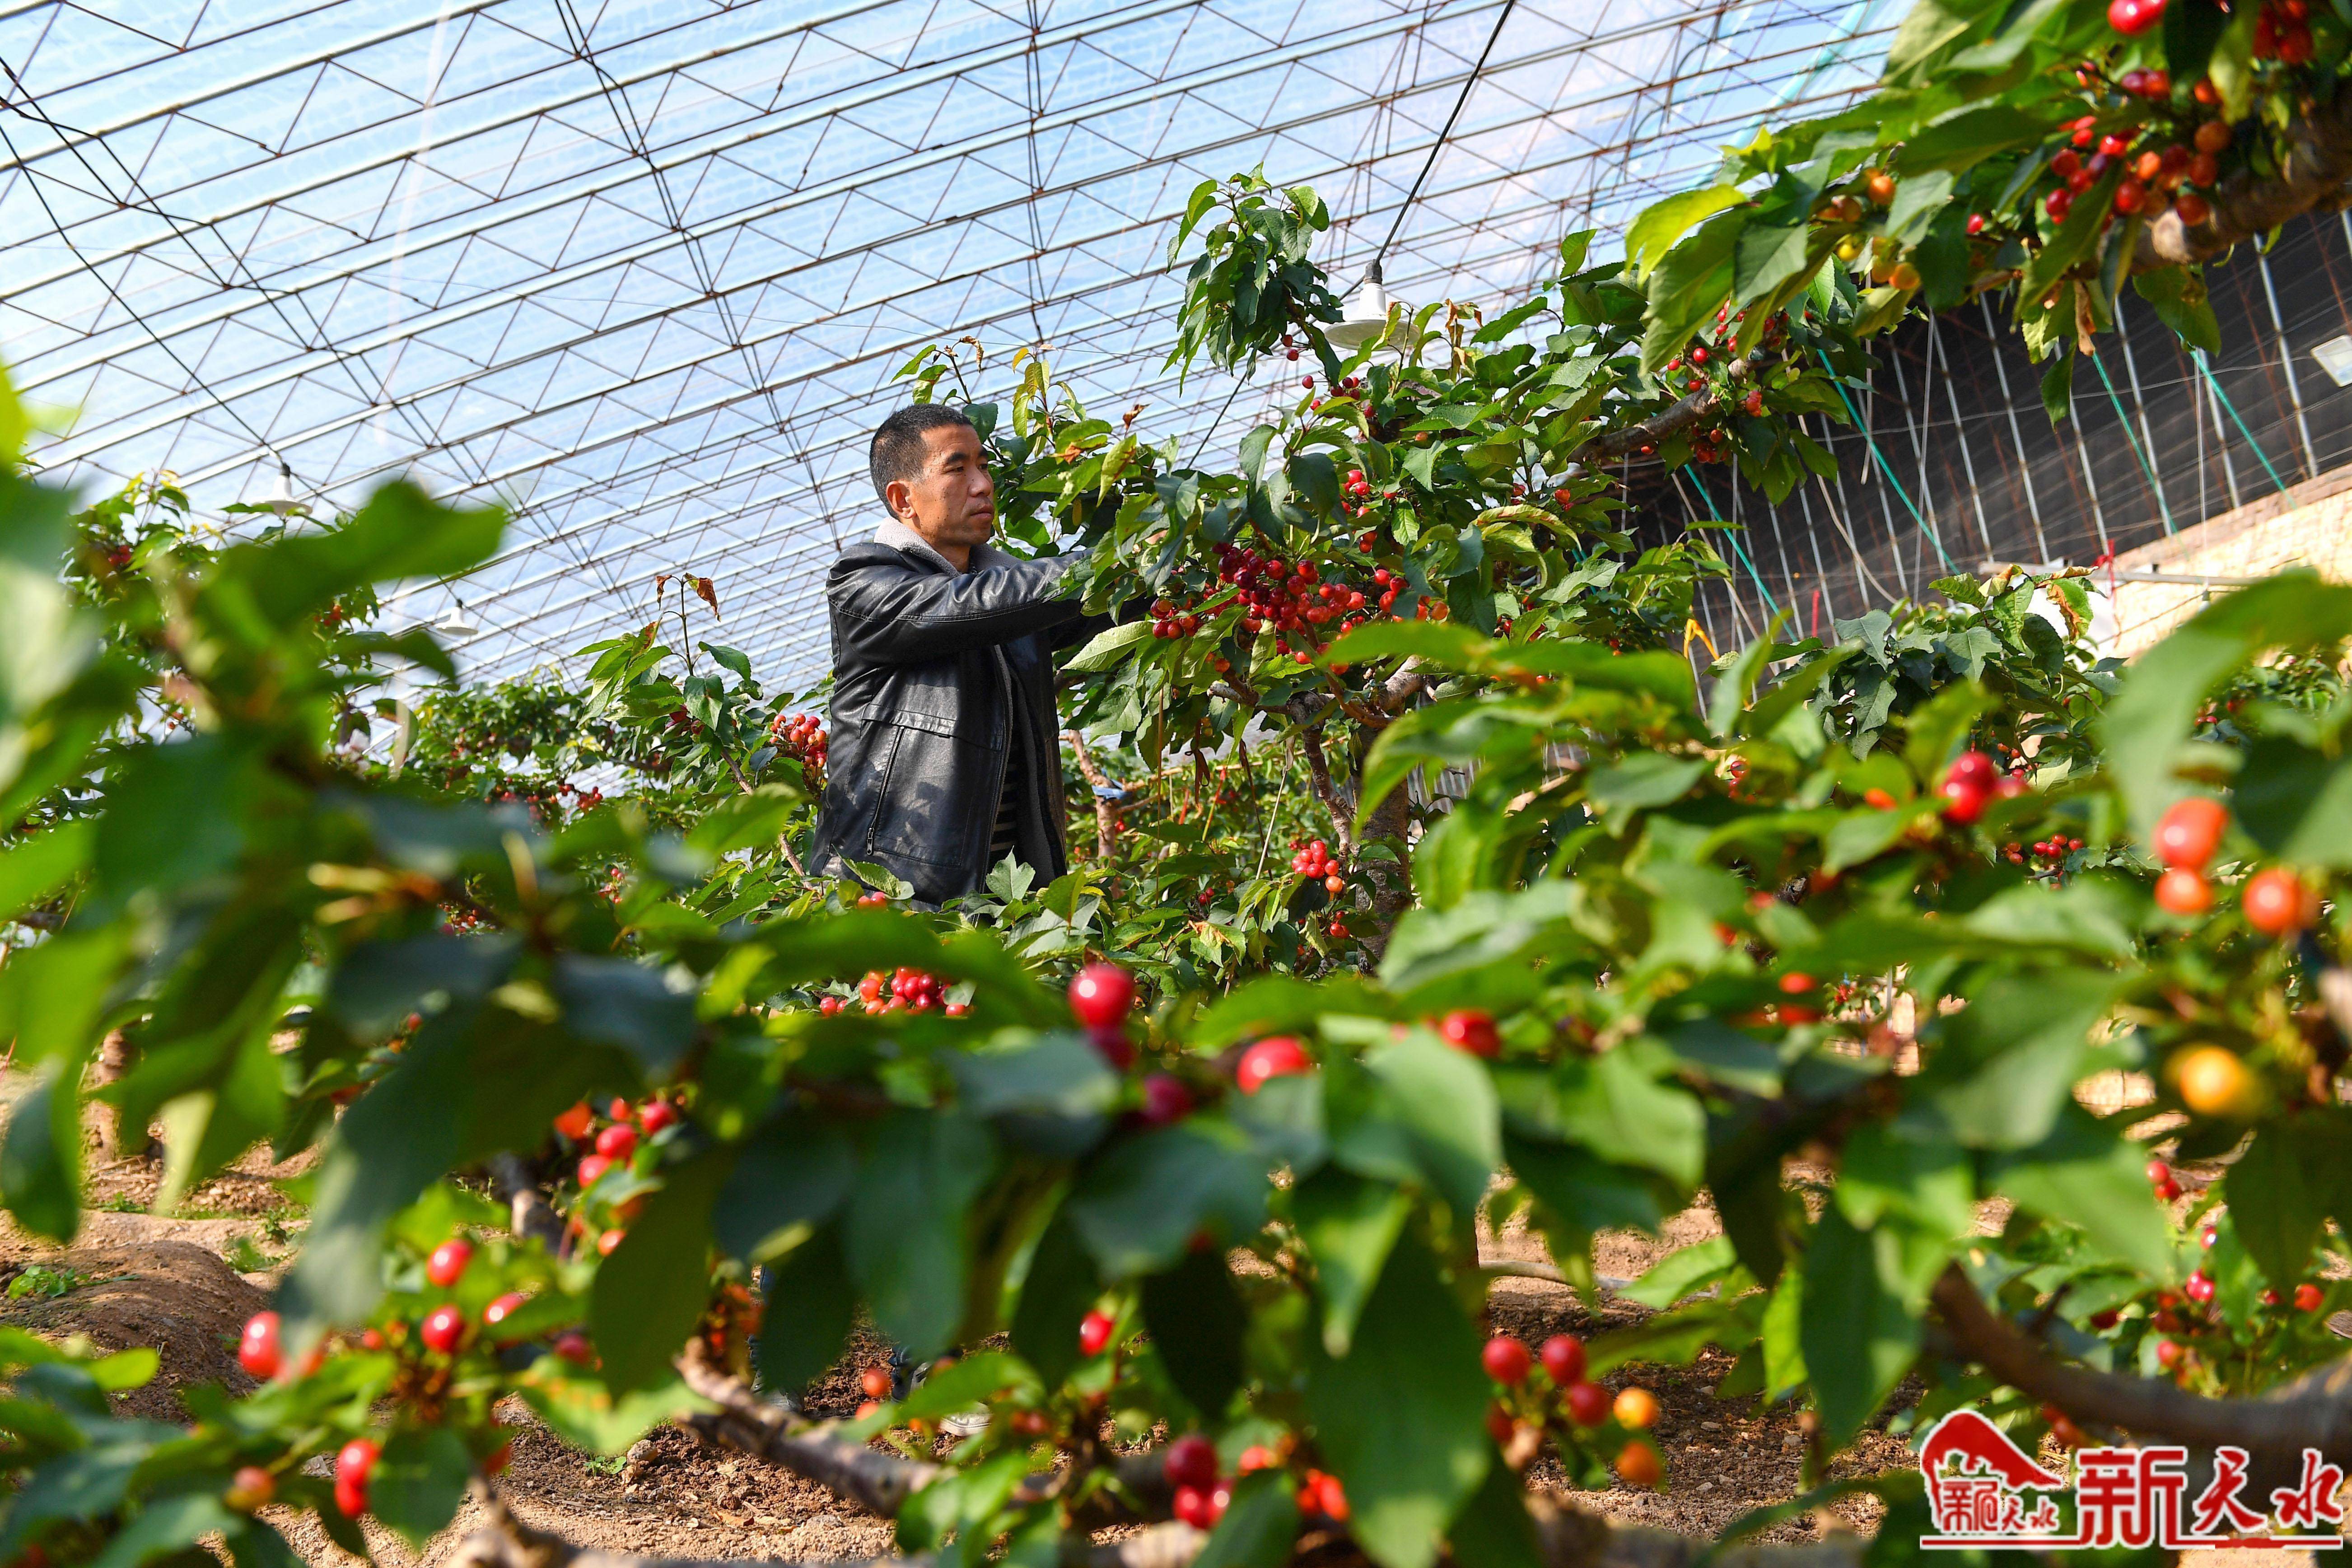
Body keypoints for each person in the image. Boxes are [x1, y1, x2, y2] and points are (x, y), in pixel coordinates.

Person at [808, 402, 1102, 906]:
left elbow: (1112, 603)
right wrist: (1104, 564)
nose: (984, 484)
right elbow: (959, 607)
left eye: (984, 465)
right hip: (897, 900)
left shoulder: (1015, 600)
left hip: (1012, 900)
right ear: (904, 500)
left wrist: (1170, 558)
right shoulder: (862, 585)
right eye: (957, 468)